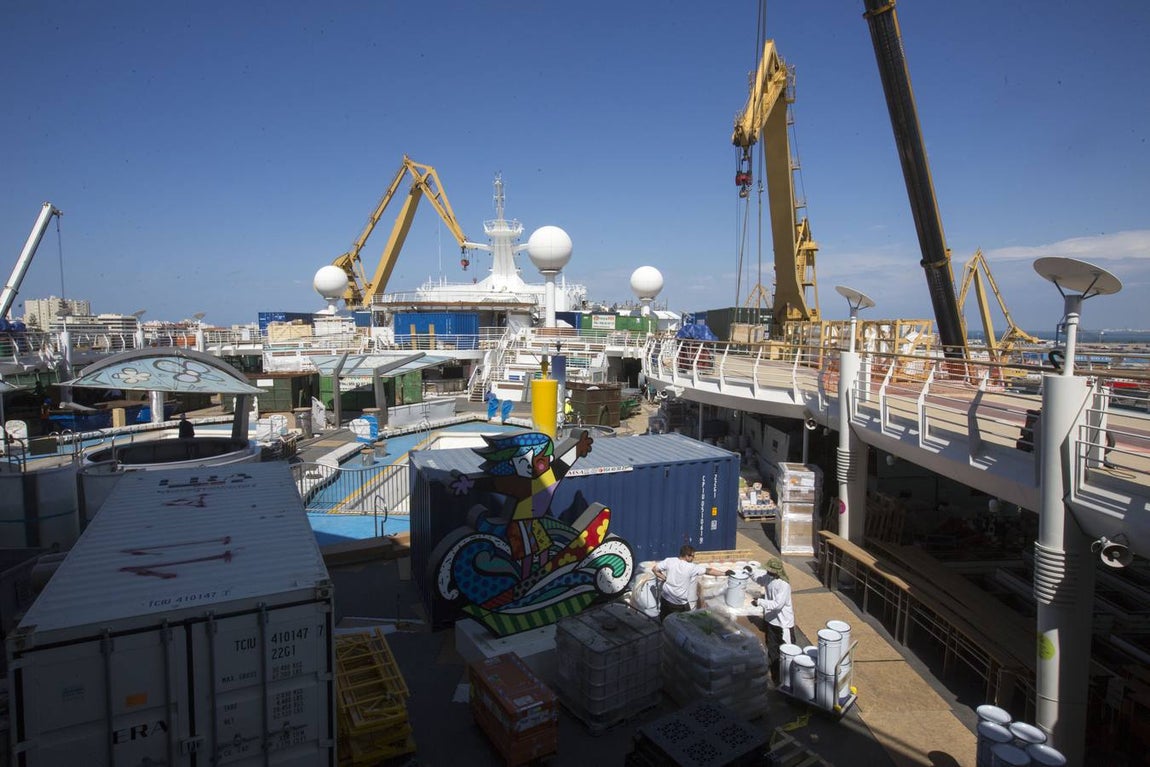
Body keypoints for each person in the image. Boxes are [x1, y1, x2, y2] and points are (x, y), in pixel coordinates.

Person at [652, 544, 732, 622]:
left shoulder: (669, 561)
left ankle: (663, 633)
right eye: (692, 556)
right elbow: (709, 571)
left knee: (664, 619)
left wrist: (665, 578)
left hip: (665, 598)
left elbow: (654, 569)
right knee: (684, 622)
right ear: (687, 556)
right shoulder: (691, 567)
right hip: (679, 602)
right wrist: (724, 573)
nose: (693, 558)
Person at [752, 557, 795, 685]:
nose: (767, 572)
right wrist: (750, 572)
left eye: (770, 570)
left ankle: (790, 679)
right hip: (771, 622)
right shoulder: (768, 578)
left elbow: (777, 605)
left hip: (783, 625)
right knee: (773, 651)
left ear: (776, 571)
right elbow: (759, 579)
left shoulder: (784, 585)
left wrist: (759, 602)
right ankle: (777, 678)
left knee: (788, 651)